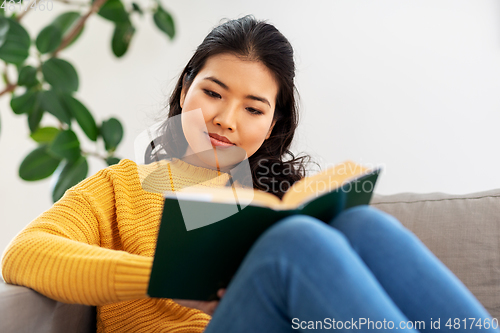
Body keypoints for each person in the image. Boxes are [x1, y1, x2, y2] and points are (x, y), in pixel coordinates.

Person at [1, 15, 498, 333]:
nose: (226, 119)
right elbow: (24, 255)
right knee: (295, 242)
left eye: (253, 108)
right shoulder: (121, 186)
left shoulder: (282, 196)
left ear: (272, 124)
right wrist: (164, 278)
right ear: (185, 90)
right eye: (213, 93)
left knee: (362, 226)